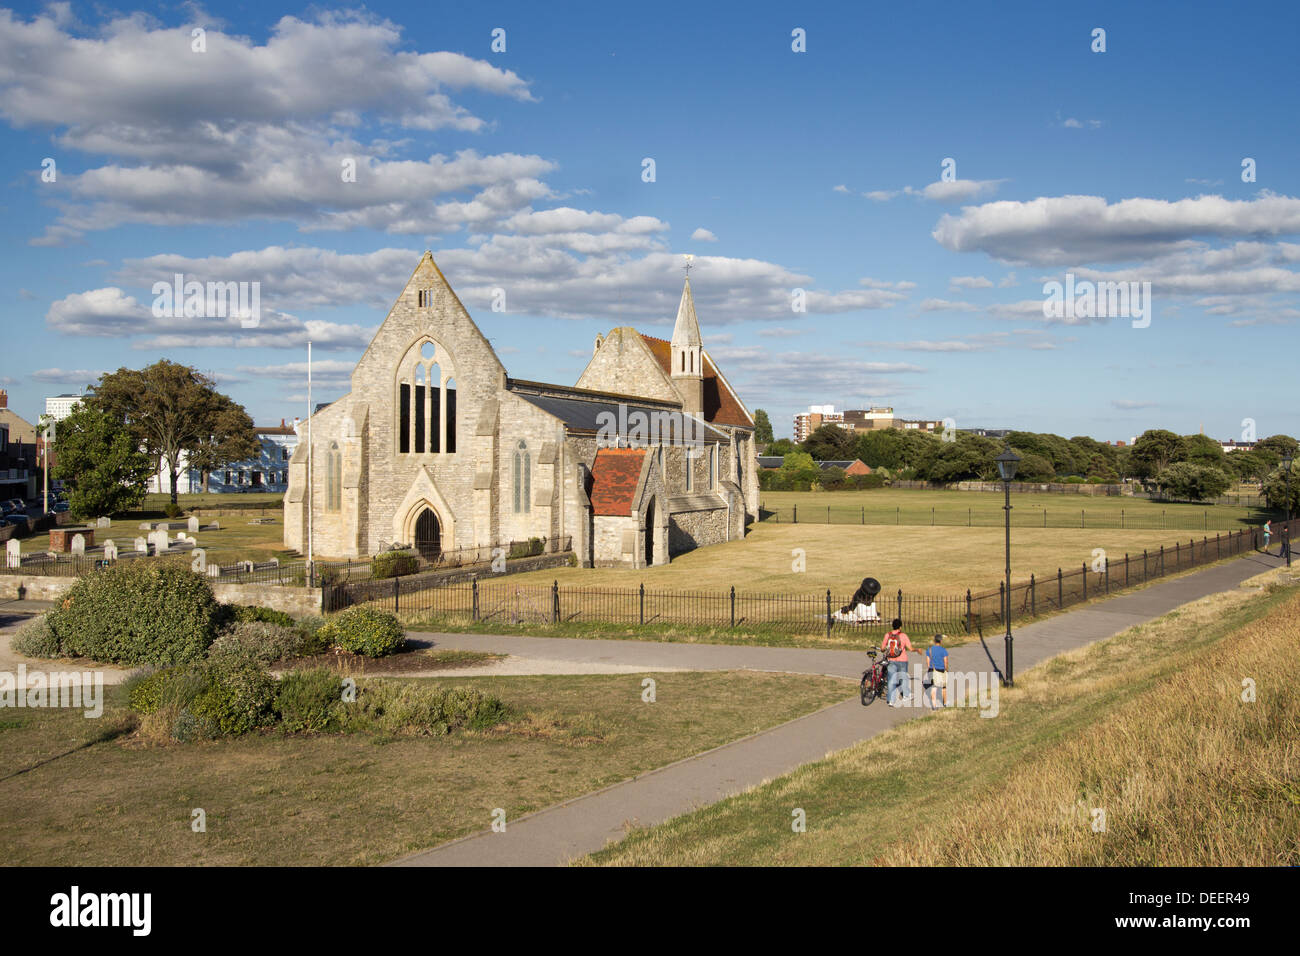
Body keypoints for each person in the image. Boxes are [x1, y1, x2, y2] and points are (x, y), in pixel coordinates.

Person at [881, 618, 914, 707]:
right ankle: (906, 695)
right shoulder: (903, 636)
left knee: (891, 680)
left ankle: (891, 700)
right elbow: (910, 648)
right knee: (903, 678)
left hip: (891, 660)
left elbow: (882, 648)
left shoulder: (887, 635)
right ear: (900, 626)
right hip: (902, 660)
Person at [925, 634, 950, 709]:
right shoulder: (943, 650)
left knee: (934, 687)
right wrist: (946, 669)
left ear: (934, 640)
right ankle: (945, 703)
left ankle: (934, 705)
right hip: (941, 670)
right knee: (944, 687)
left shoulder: (929, 650)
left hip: (932, 670)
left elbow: (928, 661)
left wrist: (930, 668)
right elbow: (946, 662)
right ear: (941, 641)